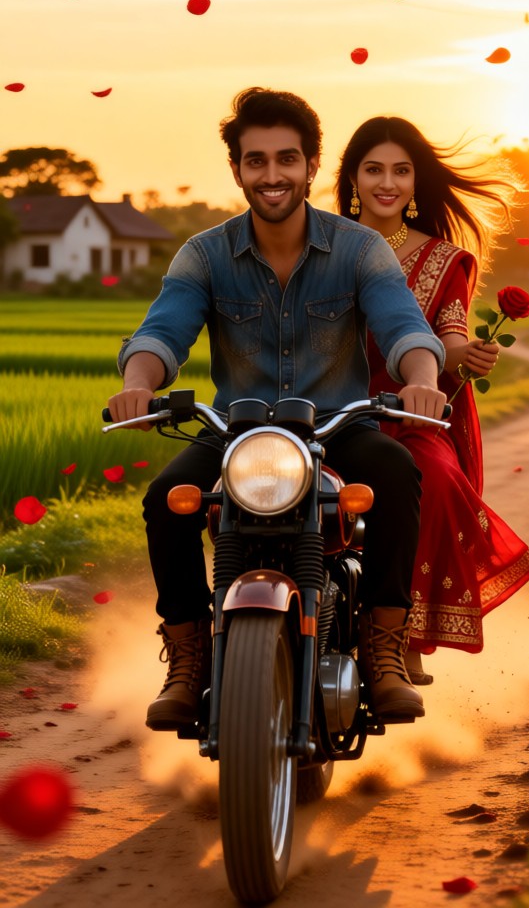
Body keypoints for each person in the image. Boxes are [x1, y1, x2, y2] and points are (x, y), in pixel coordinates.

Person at [108, 88, 448, 729]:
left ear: (312, 165)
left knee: (398, 472)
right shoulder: (204, 254)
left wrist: (422, 376)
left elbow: (404, 327)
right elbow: (163, 331)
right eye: (255, 161)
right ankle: (188, 661)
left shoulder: (359, 249)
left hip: (336, 428)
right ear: (236, 169)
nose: (272, 176)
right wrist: (138, 380)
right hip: (235, 433)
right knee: (166, 498)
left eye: (286, 159)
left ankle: (383, 649)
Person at [335, 116, 529, 684]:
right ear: (352, 177)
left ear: (417, 182)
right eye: (374, 169)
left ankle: (399, 633)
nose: (388, 182)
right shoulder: (318, 244)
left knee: (432, 474)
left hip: (408, 415)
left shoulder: (445, 261)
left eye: (402, 170)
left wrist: (462, 355)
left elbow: (447, 335)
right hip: (322, 415)